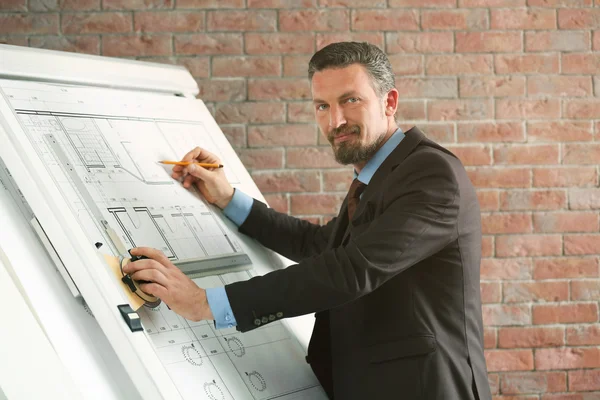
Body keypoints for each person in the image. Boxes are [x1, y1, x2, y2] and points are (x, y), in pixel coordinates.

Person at [123, 41, 492, 400]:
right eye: (322, 105)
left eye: (351, 100)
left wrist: (208, 303)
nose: (336, 120)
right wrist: (228, 199)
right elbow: (320, 245)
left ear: (389, 102)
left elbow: (351, 270)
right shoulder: (379, 177)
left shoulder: (431, 175)